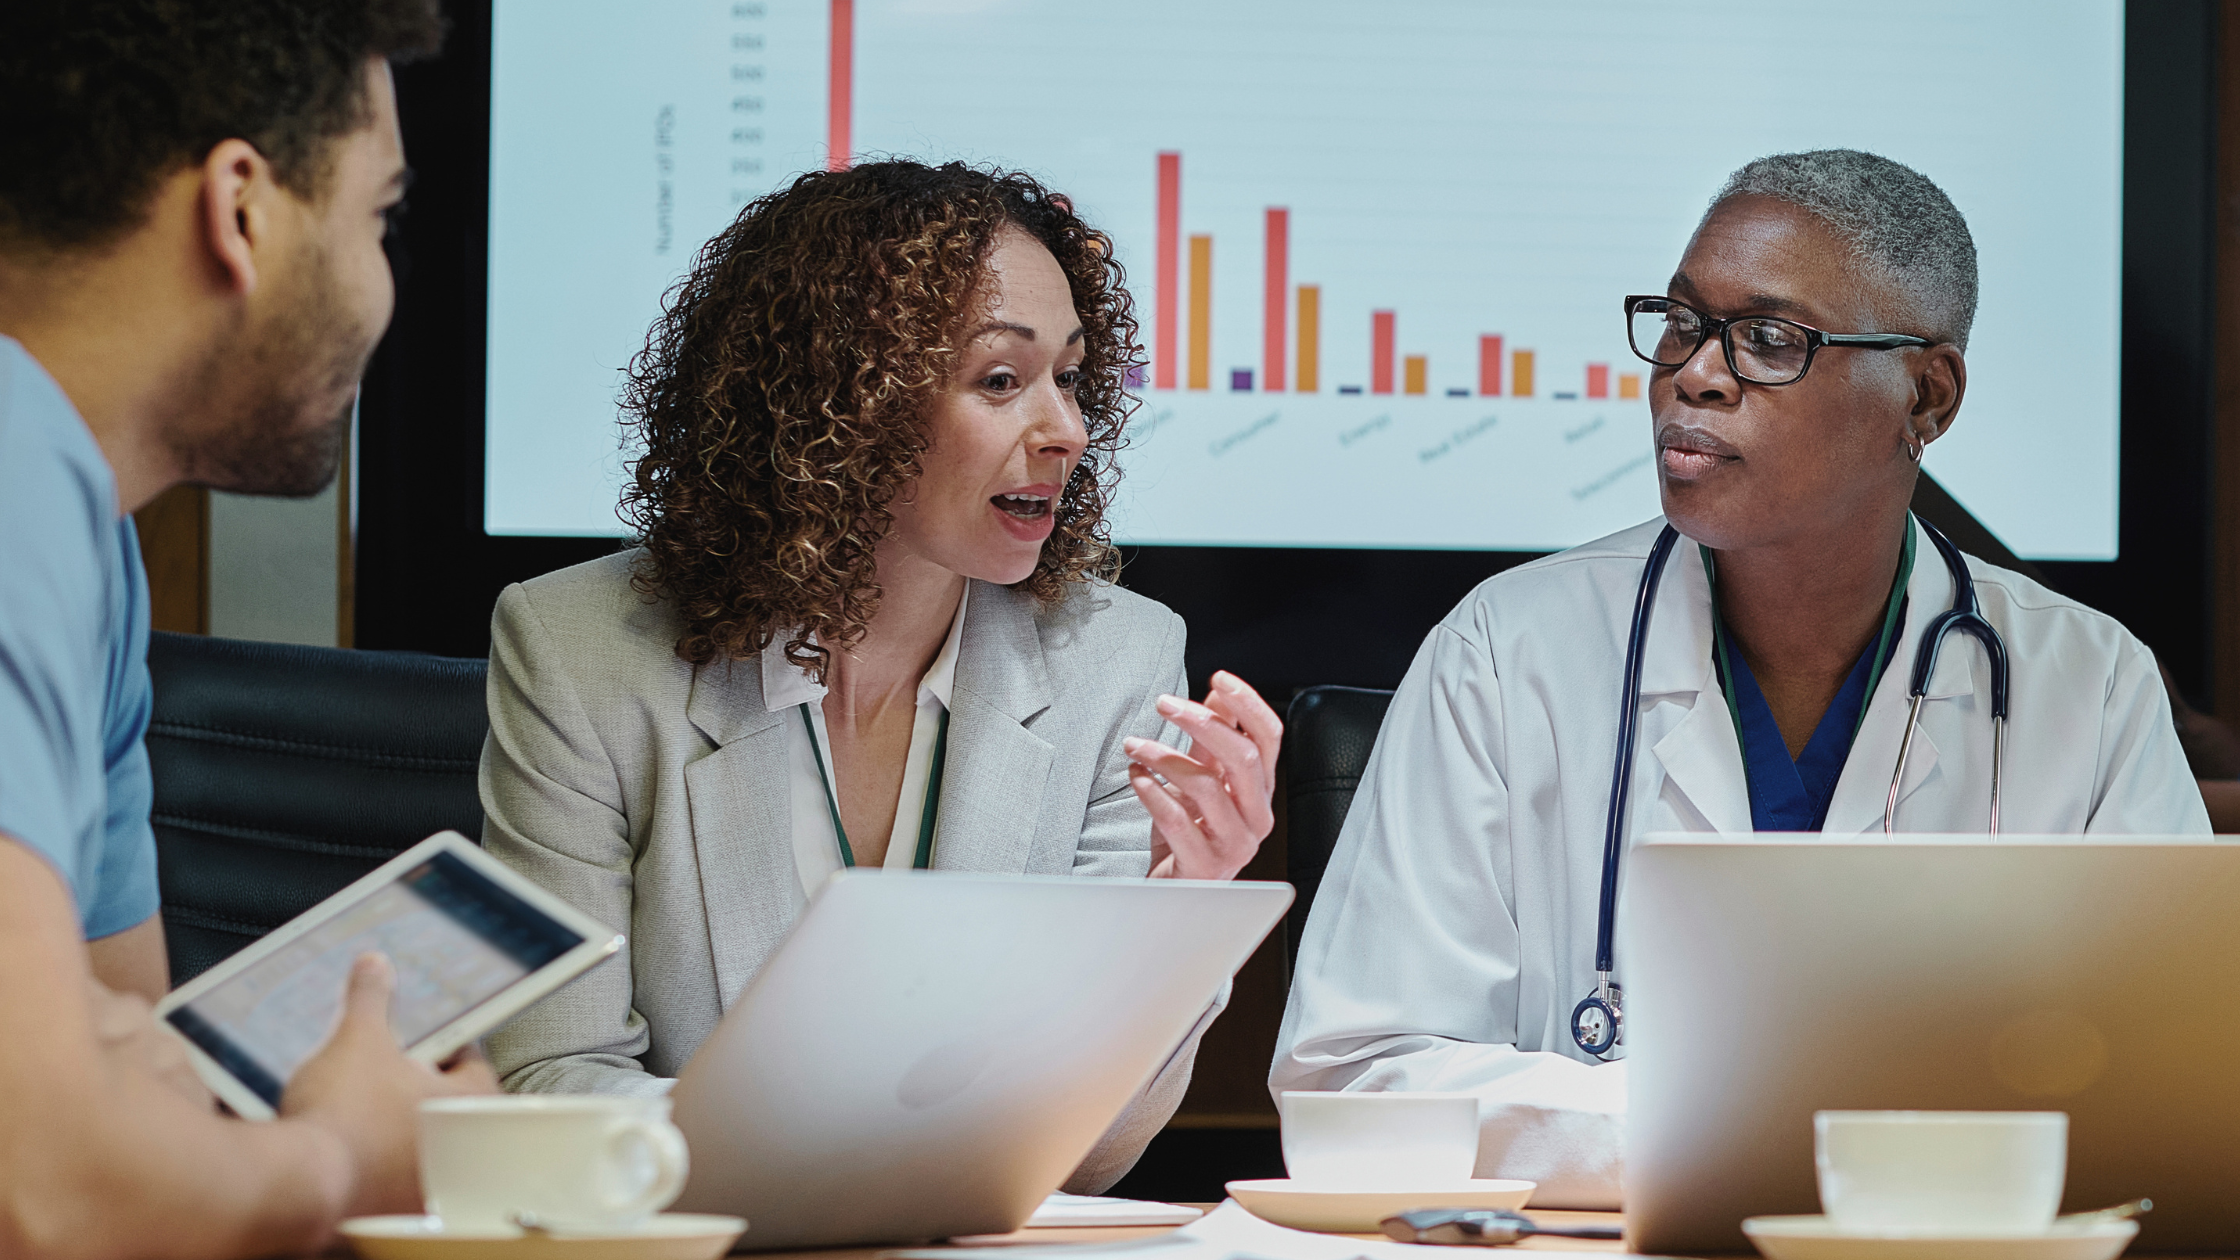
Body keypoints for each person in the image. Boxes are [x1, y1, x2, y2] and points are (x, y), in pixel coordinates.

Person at [1271, 149, 2208, 1209]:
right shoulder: (1504, 650)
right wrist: (1771, 1131)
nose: (1694, 373)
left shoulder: (2084, 685)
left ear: (1926, 395)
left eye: (1767, 339)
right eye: (1679, 322)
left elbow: (2166, 1087)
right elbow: (1351, 1082)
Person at [480, 159, 1282, 1191]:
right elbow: (547, 1083)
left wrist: (1174, 925)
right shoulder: (578, 650)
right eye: (1000, 381)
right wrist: (837, 1152)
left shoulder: (1119, 661)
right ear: (839, 402)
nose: (1067, 431)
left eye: (1071, 379)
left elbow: (1083, 1159)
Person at [0, 3, 494, 1255]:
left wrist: (120, 1102)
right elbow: (53, 1184)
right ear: (243, 209)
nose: (386, 283)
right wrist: (343, 1155)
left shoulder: (91, 535)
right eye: (378, 218)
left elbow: (143, 1078)